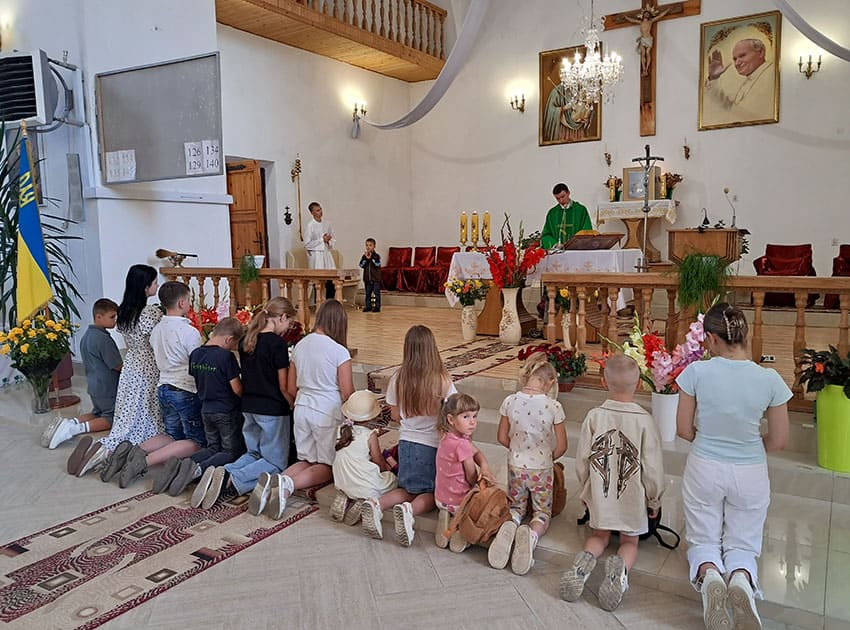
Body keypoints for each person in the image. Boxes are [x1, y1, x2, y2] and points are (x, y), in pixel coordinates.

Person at [676, 303, 790, 630]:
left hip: (704, 465)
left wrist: (707, 440)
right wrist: (748, 447)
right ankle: (740, 577)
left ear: (712, 339)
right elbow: (779, 440)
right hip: (750, 470)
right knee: (743, 540)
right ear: (745, 335)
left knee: (703, 536)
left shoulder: (697, 373)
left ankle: (710, 574)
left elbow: (683, 429)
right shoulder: (769, 379)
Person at [560, 353, 664, 611]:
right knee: (629, 542)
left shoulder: (594, 416)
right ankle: (620, 570)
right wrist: (654, 500)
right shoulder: (645, 420)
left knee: (599, 535)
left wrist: (586, 492)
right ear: (639, 384)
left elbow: (583, 459)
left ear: (603, 382)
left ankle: (584, 562)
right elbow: (652, 468)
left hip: (600, 495)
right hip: (632, 498)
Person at [196, 297, 296, 512]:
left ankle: (224, 471)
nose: (288, 328)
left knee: (253, 453)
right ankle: (232, 478)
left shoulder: (246, 340)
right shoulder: (277, 344)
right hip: (272, 408)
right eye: (289, 322)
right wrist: (292, 404)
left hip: (248, 405)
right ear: (282, 317)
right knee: (275, 462)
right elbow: (283, 385)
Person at [360, 325, 456, 547]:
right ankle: (408, 510)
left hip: (406, 443)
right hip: (431, 445)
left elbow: (394, 414)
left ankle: (376, 504)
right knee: (430, 493)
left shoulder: (399, 377)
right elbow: (454, 410)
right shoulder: (442, 380)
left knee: (406, 488)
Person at [67, 265, 163, 478]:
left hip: (131, 364)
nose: (157, 286)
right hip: (148, 364)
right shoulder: (150, 312)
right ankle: (107, 453)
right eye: (155, 282)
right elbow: (158, 339)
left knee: (129, 412)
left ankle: (102, 449)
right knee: (146, 411)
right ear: (145, 287)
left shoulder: (124, 311)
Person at [111, 280, 206, 489]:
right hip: (185, 389)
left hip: (163, 387)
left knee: (172, 435)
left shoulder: (156, 329)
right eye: (189, 300)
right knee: (197, 441)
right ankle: (144, 462)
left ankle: (132, 453)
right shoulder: (189, 332)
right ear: (182, 303)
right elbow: (196, 363)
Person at [267, 300, 354, 518]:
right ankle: (288, 485)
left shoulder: (300, 345)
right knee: (327, 466)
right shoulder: (339, 351)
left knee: (306, 460)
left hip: (302, 408)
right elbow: (347, 394)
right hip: (326, 412)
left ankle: (277, 481)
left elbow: (290, 387)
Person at [489, 353, 567, 575]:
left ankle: (510, 525)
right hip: (541, 469)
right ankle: (532, 536)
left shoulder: (510, 401)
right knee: (541, 512)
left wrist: (517, 450)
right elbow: (562, 446)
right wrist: (548, 458)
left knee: (516, 507)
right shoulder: (553, 406)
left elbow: (501, 437)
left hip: (516, 465)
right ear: (550, 381)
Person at [153, 316, 245, 498]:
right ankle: (196, 470)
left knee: (212, 447)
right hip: (225, 410)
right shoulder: (225, 357)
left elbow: (197, 379)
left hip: (205, 409)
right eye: (234, 344)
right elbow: (236, 388)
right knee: (230, 451)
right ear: (229, 339)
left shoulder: (195, 354)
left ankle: (181, 464)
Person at [44, 298, 122, 450]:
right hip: (107, 387)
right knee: (111, 418)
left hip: (94, 386)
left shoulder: (87, 336)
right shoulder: (103, 339)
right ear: (98, 317)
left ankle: (68, 423)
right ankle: (73, 430)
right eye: (112, 317)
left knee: (98, 413)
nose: (115, 320)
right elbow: (117, 365)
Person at [434, 393, 494, 553]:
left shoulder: (445, 436)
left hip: (440, 498)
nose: (472, 422)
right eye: (466, 417)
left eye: (475, 416)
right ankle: (461, 531)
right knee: (483, 506)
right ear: (451, 419)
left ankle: (445, 517)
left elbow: (477, 452)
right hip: (459, 502)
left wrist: (484, 466)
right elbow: (471, 476)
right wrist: (480, 483)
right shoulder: (462, 444)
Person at [330, 389, 397, 529]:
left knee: (357, 472)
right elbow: (378, 461)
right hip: (363, 483)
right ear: (374, 416)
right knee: (392, 481)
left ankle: (346, 494)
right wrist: (385, 472)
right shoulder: (370, 435)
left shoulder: (341, 429)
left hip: (341, 479)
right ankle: (364, 500)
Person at [703, 36, 775, 126]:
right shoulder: (750, 79)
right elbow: (729, 109)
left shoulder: (773, 73)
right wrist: (713, 78)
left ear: (761, 52)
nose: (737, 63)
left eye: (742, 56)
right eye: (735, 59)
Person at [540, 183, 593, 250]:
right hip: (558, 251)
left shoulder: (581, 210)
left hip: (577, 250)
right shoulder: (552, 213)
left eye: (563, 197)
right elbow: (546, 235)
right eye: (557, 198)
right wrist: (555, 244)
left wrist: (575, 244)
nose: (561, 200)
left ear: (568, 193)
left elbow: (587, 231)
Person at [623, 7, 670, 76]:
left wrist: (666, 11)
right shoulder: (640, 22)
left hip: (648, 39)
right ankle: (644, 69)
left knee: (647, 53)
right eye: (645, 14)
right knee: (643, 54)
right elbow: (632, 20)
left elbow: (659, 16)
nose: (646, 15)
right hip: (642, 39)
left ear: (649, 15)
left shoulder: (650, 21)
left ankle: (647, 68)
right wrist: (626, 18)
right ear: (643, 15)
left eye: (648, 14)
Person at [304, 201, 336, 299]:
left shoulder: (327, 223)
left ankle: (330, 302)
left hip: (326, 254)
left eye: (320, 209)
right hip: (317, 256)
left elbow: (332, 238)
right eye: (317, 210)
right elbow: (307, 244)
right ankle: (318, 302)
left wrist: (329, 240)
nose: (320, 212)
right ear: (312, 213)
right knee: (318, 282)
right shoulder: (310, 225)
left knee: (331, 281)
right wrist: (322, 240)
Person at [359, 237, 382, 313]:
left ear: (374, 246)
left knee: (376, 293)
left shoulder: (376, 256)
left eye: (370, 245)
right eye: (367, 245)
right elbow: (361, 265)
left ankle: (377, 307)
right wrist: (366, 259)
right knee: (368, 294)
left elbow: (378, 264)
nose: (368, 247)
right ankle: (368, 306)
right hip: (367, 279)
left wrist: (371, 258)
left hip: (375, 279)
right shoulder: (364, 256)